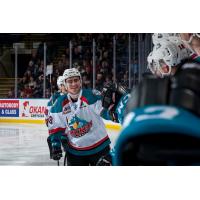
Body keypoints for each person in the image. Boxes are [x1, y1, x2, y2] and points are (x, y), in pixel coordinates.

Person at [47, 68, 111, 166]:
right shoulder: (59, 104)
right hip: (75, 152)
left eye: (76, 80)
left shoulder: (92, 96)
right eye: (70, 81)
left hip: (100, 147)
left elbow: (105, 112)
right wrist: (56, 145)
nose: (73, 84)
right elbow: (56, 128)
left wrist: (113, 114)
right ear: (65, 84)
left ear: (80, 82)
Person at [46, 76, 67, 159]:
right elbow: (48, 114)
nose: (66, 86)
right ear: (60, 86)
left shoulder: (73, 95)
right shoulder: (55, 98)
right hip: (61, 128)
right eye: (63, 84)